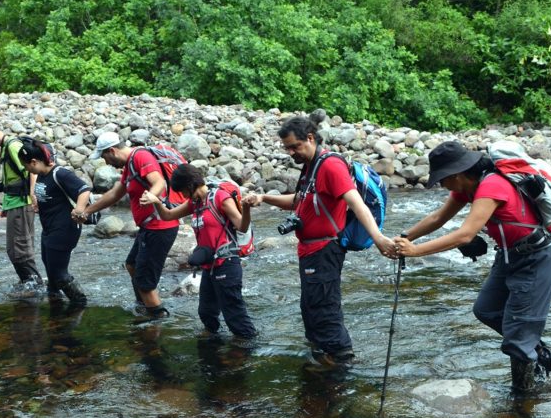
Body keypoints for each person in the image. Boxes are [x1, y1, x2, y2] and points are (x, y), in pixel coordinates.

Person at [392, 140, 551, 391]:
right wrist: (407, 237)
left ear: (459, 174)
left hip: (538, 259)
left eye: (443, 179)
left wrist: (416, 251)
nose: (441, 184)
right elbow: (438, 217)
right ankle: (537, 352)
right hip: (510, 256)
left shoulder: (492, 185)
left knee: (517, 340)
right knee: (486, 309)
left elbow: (465, 234)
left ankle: (523, 404)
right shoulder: (467, 187)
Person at [243, 116, 398, 367]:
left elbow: (354, 201)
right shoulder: (310, 167)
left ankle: (342, 363)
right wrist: (264, 197)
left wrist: (378, 238)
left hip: (325, 249)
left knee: (325, 309)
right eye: (287, 148)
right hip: (310, 250)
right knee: (311, 307)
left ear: (311, 138)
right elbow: (299, 200)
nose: (291, 152)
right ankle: (321, 358)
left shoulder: (330, 166)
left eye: (295, 146)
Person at [139, 163, 257, 340]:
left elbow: (241, 225)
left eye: (183, 191)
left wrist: (246, 208)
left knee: (234, 315)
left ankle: (247, 347)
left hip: (227, 264)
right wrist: (156, 202)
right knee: (206, 313)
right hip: (209, 267)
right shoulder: (195, 203)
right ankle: (213, 345)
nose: (183, 196)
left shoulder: (220, 198)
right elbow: (168, 216)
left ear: (190, 185)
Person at [75, 132, 181, 319]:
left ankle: (156, 321)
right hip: (149, 227)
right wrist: (87, 211)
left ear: (112, 151)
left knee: (145, 283)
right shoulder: (130, 165)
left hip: (160, 227)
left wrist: (152, 196)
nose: (106, 162)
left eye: (105, 157)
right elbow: (115, 194)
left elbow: (159, 182)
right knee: (132, 264)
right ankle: (143, 306)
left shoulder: (140, 156)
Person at [18, 140, 89, 306]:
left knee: (59, 273)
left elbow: (84, 190)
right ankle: (55, 305)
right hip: (49, 229)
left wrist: (79, 210)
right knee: (51, 272)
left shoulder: (60, 173)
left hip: (64, 229)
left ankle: (80, 303)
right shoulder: (42, 175)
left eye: (27, 166)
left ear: (34, 162)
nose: (27, 170)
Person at [0, 116, 42, 290]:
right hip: (14, 204)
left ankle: (34, 285)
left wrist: (33, 195)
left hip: (21, 203)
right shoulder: (6, 146)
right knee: (14, 250)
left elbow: (33, 171)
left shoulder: (13, 146)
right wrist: (6, 207)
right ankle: (27, 283)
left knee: (21, 249)